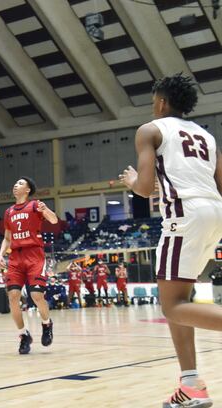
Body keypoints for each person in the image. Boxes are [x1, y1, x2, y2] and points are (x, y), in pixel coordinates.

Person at [119, 73, 222, 407]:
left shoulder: (150, 129)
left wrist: (133, 180)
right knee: (183, 299)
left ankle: (191, 383)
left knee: (172, 306)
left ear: (161, 102)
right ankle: (191, 384)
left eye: (153, 102)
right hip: (215, 213)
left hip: (185, 215)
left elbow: (146, 188)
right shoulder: (206, 136)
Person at [0, 177, 58, 354]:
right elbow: (7, 238)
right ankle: (23, 335)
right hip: (15, 257)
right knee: (13, 296)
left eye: (20, 183)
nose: (16, 185)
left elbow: (53, 221)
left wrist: (46, 209)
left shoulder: (34, 206)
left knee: (37, 295)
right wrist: (1, 254)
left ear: (28, 190)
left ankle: (47, 324)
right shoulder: (8, 212)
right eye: (15, 183)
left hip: (34, 255)